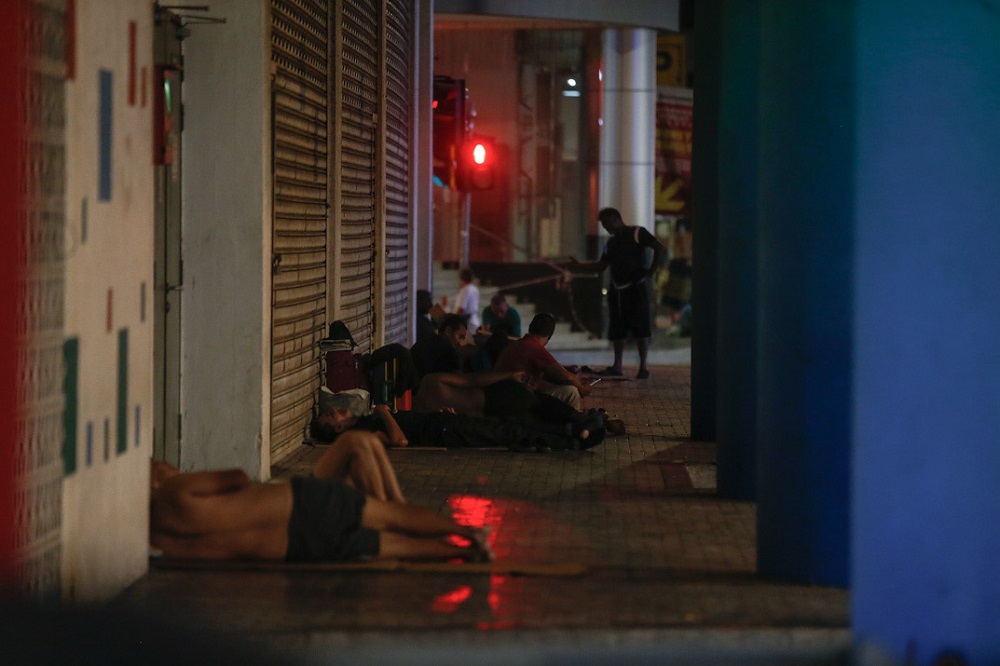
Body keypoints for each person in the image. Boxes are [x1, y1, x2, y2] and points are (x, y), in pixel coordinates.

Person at [149, 431, 493, 563]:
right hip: (302, 503)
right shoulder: (175, 490)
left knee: (391, 545)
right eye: (162, 466)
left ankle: (459, 552)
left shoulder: (160, 540)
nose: (168, 466)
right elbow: (238, 478)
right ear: (154, 480)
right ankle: (468, 534)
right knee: (391, 516)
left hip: (292, 547)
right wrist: (178, 478)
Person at [570, 207, 666, 379]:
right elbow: (601, 266)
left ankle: (643, 366)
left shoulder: (637, 233)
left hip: (636, 287)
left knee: (641, 326)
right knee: (617, 327)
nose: (605, 228)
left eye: (606, 223)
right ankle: (618, 365)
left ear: (615, 219)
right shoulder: (611, 244)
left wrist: (650, 272)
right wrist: (579, 266)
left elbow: (658, 247)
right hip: (617, 289)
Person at [493, 312, 593, 410]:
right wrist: (582, 387)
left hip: (501, 392)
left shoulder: (517, 344)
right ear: (549, 336)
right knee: (571, 392)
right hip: (515, 397)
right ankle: (574, 424)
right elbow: (566, 376)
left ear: (530, 328)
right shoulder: (534, 347)